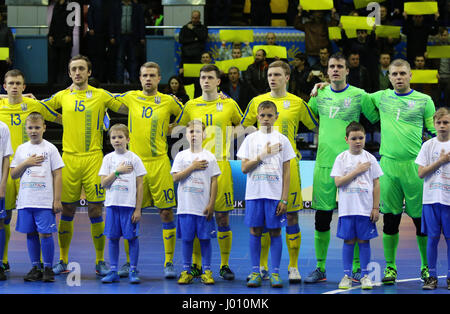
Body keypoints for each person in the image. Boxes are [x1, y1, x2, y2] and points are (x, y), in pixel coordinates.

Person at [42, 55, 128, 276]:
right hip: (69, 158)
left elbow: (127, 106)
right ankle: (62, 259)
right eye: (74, 69)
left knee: (95, 209)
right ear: (69, 73)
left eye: (81, 69)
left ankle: (100, 261)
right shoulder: (62, 96)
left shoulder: (101, 95)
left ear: (89, 72)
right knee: (67, 209)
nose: (78, 72)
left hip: (93, 158)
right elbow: (39, 108)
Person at [305, 52, 379, 284]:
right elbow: (310, 118)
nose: (335, 70)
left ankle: (357, 270)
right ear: (327, 72)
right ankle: (320, 268)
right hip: (325, 163)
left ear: (348, 70)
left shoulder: (359, 95)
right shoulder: (319, 94)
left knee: (357, 218)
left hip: (355, 165)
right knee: (322, 218)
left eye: (340, 66)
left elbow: (376, 117)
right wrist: (317, 88)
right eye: (331, 67)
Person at [241, 60, 319, 283]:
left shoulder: (297, 103)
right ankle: (262, 267)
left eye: (276, 74)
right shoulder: (257, 101)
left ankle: (292, 267)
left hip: (288, 166)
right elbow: (242, 124)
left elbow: (315, 124)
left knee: (291, 215)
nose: (272, 78)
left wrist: (318, 94)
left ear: (287, 77)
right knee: (263, 221)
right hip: (261, 169)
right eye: (269, 75)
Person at [369, 58, 436, 285]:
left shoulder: (424, 100)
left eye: (402, 73)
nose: (398, 77)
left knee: (420, 221)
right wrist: (322, 86)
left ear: (410, 75)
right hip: (388, 166)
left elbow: (435, 132)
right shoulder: (381, 97)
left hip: (415, 167)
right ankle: (390, 267)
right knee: (390, 220)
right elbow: (352, 95)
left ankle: (426, 267)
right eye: (394, 74)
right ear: (389, 77)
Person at [114, 62, 183, 279]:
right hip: (134, 164)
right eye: (144, 75)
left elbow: (185, 116)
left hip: (160, 162)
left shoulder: (169, 101)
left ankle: (169, 262)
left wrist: (168, 128)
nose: (148, 79)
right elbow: (104, 98)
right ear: (140, 77)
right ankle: (128, 263)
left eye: (152, 75)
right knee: (132, 215)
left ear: (159, 77)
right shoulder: (130, 96)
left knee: (166, 212)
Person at [176, 64, 244, 281]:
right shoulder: (190, 106)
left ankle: (224, 265)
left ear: (218, 82)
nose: (205, 81)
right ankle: (196, 265)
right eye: (202, 77)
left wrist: (227, 138)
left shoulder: (229, 104)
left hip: (220, 166)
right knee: (196, 217)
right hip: (194, 168)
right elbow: (177, 128)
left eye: (210, 77)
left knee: (223, 217)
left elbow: (243, 125)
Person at [0, 69, 61, 272]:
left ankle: (46, 265)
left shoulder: (34, 105)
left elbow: (59, 116)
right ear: (4, 86)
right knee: (5, 216)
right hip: (8, 169)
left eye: (18, 83)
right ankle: (4, 260)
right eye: (11, 83)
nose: (15, 87)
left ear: (24, 87)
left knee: (39, 222)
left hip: (34, 171)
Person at [238, 100, 295, 288]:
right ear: (257, 116)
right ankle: (255, 271)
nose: (266, 119)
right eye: (262, 115)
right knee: (254, 231)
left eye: (270, 115)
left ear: (276, 116)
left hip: (274, 195)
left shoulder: (283, 140)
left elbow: (287, 172)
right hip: (254, 194)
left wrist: (284, 198)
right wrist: (264, 153)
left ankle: (275, 273)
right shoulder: (250, 139)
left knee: (275, 231)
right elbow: (245, 168)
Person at [11, 112, 64, 283]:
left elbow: (57, 174)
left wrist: (56, 199)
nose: (33, 131)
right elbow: (13, 174)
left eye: (37, 127)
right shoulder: (21, 149)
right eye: (30, 128)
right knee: (31, 234)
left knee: (46, 234)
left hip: (44, 200)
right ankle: (36, 267)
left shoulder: (50, 149)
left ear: (44, 128)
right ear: (26, 129)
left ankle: (48, 267)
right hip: (26, 200)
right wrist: (26, 163)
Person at [331, 121, 383, 290]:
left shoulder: (370, 159)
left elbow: (376, 184)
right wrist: (357, 171)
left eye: (361, 137)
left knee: (364, 241)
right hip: (347, 209)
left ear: (365, 138)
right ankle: (347, 275)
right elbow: (338, 182)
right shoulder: (341, 158)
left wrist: (375, 207)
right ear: (347, 139)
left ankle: (366, 276)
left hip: (365, 209)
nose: (358, 141)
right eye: (354, 138)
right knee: (348, 241)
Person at [171, 120, 220, 285]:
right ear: (186, 135)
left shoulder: (210, 157)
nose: (194, 135)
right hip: (185, 208)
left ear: (204, 135)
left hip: (203, 208)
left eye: (198, 132)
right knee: (186, 239)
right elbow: (176, 177)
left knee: (205, 240)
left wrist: (211, 204)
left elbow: (214, 181)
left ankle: (207, 271)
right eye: (191, 132)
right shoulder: (181, 156)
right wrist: (192, 167)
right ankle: (186, 271)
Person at [99, 123, 146, 284]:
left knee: (132, 238)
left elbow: (140, 185)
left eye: (120, 137)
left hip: (129, 206)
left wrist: (138, 209)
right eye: (113, 137)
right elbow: (104, 183)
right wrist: (117, 171)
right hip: (112, 206)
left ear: (128, 139)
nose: (117, 140)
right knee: (112, 238)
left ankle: (133, 270)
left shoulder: (134, 159)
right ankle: (113, 270)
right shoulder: (108, 159)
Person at [415, 107, 450, 290]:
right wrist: (440, 161)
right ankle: (432, 277)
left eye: (446, 122)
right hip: (431, 200)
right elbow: (421, 173)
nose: (442, 126)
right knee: (432, 238)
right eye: (439, 122)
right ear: (434, 124)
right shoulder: (428, 146)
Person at [109, 0, 146, 84]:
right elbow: (112, 21)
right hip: (120, 36)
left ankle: (133, 79)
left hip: (133, 37)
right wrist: (112, 35)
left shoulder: (137, 7)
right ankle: (119, 80)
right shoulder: (116, 6)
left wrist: (142, 36)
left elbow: (141, 22)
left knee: (133, 59)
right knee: (119, 59)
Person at [48, 0, 73, 86]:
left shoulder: (70, 5)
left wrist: (69, 35)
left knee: (64, 61)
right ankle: (53, 81)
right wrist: (50, 35)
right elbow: (53, 21)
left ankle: (64, 82)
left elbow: (71, 21)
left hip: (65, 37)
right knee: (54, 60)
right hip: (55, 38)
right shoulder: (56, 5)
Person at [0, 119, 12, 281]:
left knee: (0, 223)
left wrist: (3, 183)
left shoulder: (3, 127)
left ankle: (0, 264)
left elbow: (6, 158)